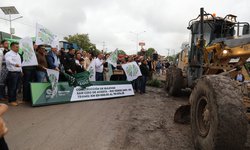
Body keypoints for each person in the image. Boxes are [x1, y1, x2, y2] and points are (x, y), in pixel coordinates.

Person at [5, 42, 22, 106]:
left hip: (18, 72)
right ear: (12, 47)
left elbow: (20, 64)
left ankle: (15, 99)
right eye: (16, 47)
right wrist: (15, 64)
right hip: (12, 73)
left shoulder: (18, 54)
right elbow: (8, 61)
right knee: (12, 87)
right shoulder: (8, 54)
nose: (18, 48)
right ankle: (11, 101)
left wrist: (21, 70)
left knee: (16, 87)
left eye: (18, 47)